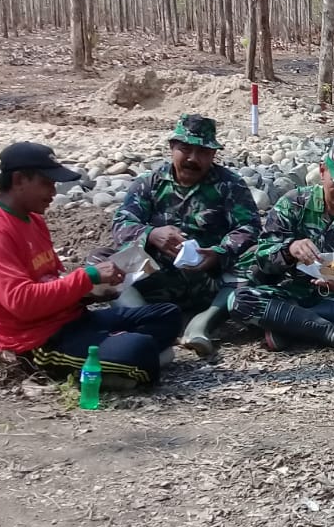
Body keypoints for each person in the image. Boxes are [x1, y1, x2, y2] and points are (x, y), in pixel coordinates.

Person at [0, 142, 182, 386]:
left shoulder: (33, 220)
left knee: (167, 314)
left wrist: (94, 291)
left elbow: (53, 280)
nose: (53, 192)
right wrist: (87, 277)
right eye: (46, 183)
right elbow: (20, 302)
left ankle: (113, 357)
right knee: (140, 348)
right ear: (19, 180)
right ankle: (110, 365)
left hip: (71, 319)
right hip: (38, 341)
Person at [107, 114, 261, 356]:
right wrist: (151, 234)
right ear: (172, 147)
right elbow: (121, 224)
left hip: (209, 280)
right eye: (185, 150)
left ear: (213, 154)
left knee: (259, 257)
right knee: (100, 260)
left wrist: (219, 253)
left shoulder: (229, 185)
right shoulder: (150, 183)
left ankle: (203, 323)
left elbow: (250, 228)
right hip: (157, 278)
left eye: (202, 152)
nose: (192, 159)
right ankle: (143, 322)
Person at [232, 143, 334, 357]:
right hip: (293, 291)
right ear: (322, 171)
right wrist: (289, 249)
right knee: (240, 301)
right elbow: (262, 258)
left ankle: (288, 323)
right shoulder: (293, 203)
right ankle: (331, 332)